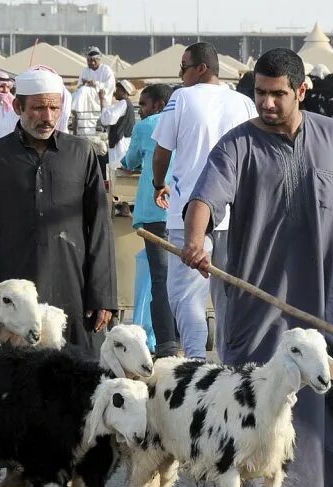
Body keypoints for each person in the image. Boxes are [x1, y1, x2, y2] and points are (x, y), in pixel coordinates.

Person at [181, 48, 333, 487]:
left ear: (302, 91)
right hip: (258, 298)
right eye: (260, 94)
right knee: (255, 399)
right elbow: (205, 198)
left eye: (277, 94)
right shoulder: (237, 144)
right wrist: (195, 240)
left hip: (322, 295)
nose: (266, 104)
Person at [0, 68, 117, 353]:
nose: (47, 117)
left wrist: (104, 295)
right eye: (38, 108)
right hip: (14, 296)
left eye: (53, 107)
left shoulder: (81, 153)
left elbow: (100, 228)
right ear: (18, 106)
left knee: (77, 375)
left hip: (74, 289)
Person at [151, 41, 257, 359]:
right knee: (230, 296)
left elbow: (162, 152)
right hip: (234, 215)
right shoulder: (245, 103)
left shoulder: (180, 98)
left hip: (189, 211)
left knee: (185, 295)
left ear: (201, 69)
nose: (180, 74)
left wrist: (159, 184)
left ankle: (196, 360)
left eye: (183, 67)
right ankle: (230, 363)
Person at [121, 83, 180, 358]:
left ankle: (166, 344)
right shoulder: (185, 122)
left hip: (155, 213)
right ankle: (181, 336)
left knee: (159, 278)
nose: (141, 111)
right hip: (184, 212)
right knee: (181, 280)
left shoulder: (146, 127)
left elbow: (129, 161)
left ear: (157, 104)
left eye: (143, 104)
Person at [100, 79, 136, 170]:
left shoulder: (123, 103)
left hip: (120, 141)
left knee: (116, 167)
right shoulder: (124, 103)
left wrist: (103, 103)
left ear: (124, 91)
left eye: (118, 89)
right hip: (121, 140)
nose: (115, 92)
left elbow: (108, 120)